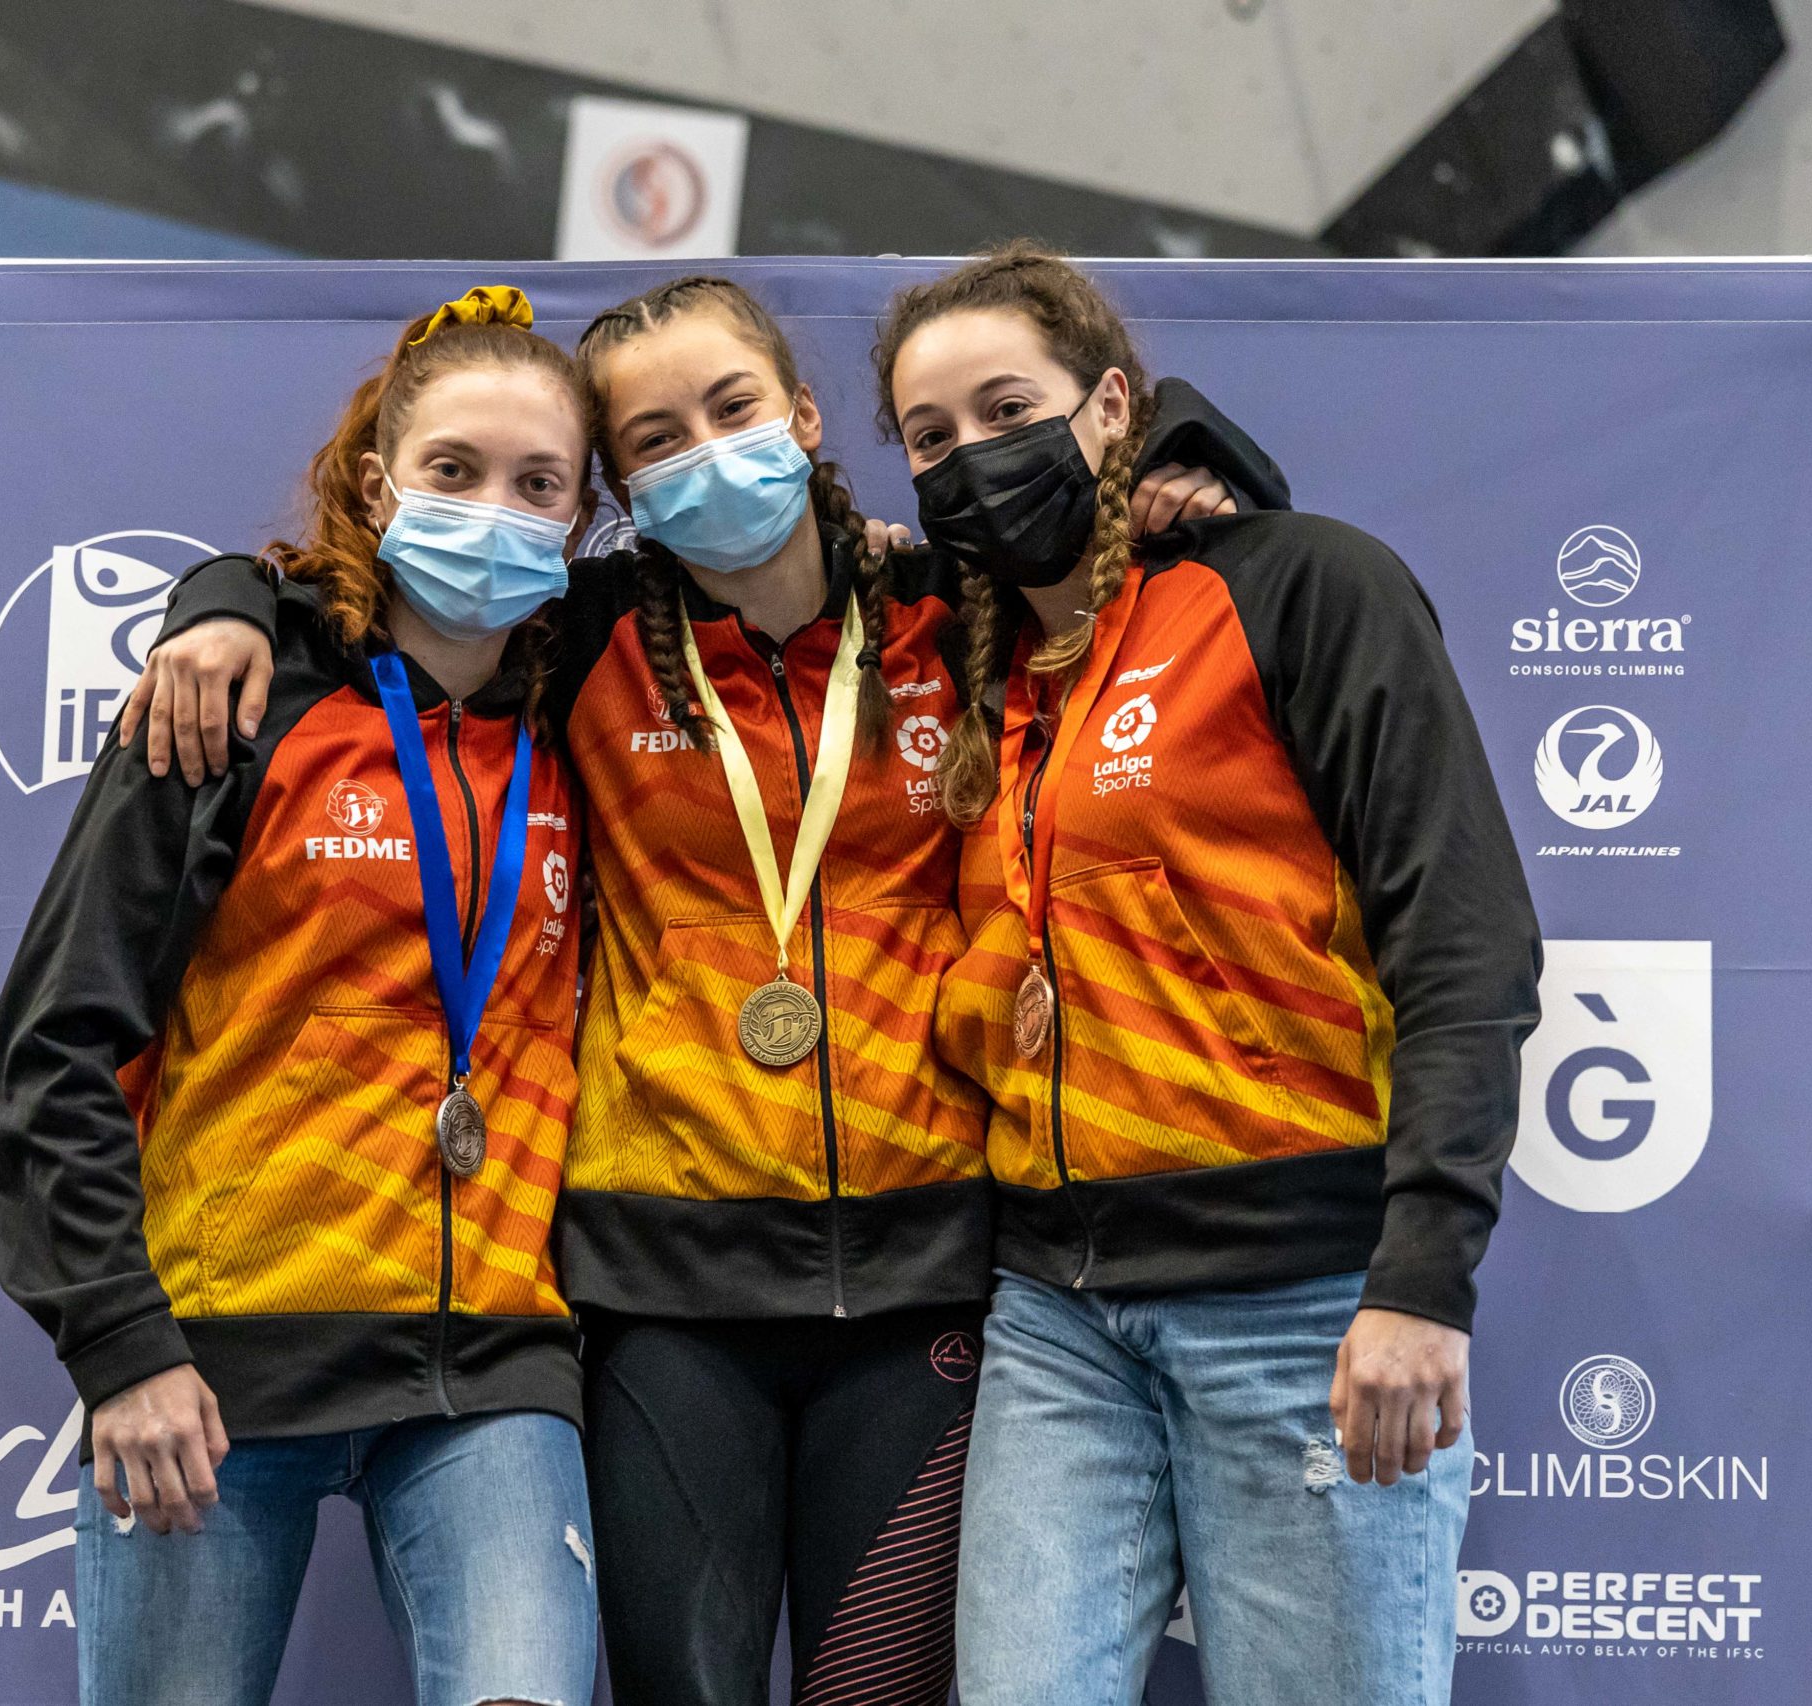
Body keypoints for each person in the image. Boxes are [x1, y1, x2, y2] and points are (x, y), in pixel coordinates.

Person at [120, 273, 1249, 1706]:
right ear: (618, 489)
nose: (705, 454)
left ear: (805, 414)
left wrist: (1190, 447)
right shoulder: (579, 632)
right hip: (662, 1297)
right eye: (655, 439)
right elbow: (360, 613)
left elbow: (1086, 499)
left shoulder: (945, 608)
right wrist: (219, 602)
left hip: (924, 1282)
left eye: (733, 408)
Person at [875, 243, 1543, 1706]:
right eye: (928, 437)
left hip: (1305, 1298)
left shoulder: (1306, 584)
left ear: (1115, 406)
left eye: (1007, 409)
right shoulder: (976, 662)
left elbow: (1465, 940)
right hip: (1054, 1317)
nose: (970, 457)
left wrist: (1422, 1279)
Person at [0, 287, 598, 1706]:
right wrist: (121, 1349)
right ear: (379, 487)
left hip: (493, 1369)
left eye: (538, 485)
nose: (494, 511)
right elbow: (53, 1047)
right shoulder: (231, 711)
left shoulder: (585, 715)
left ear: (580, 520)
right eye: (454, 471)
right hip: (214, 1368)